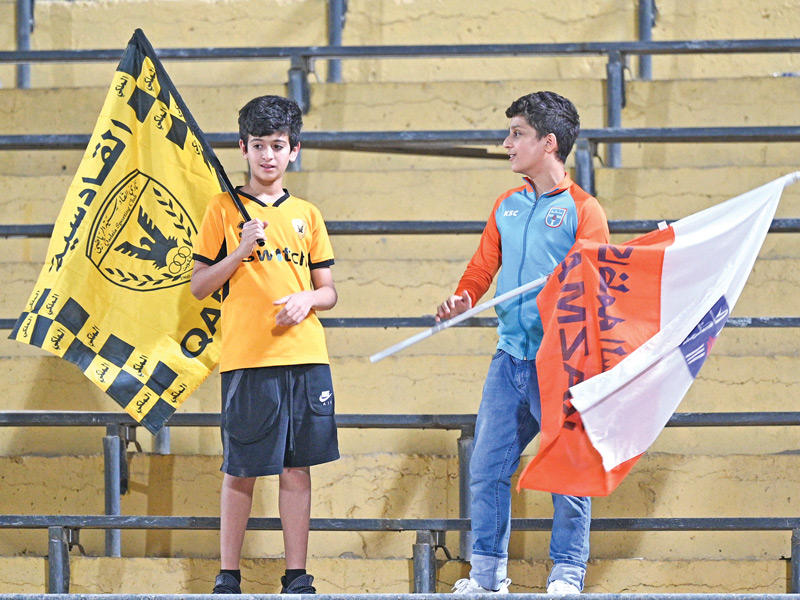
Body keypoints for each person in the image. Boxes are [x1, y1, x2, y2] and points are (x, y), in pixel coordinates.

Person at [436, 91, 609, 595]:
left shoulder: (584, 210)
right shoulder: (505, 206)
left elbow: (595, 291)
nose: (506, 143)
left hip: (561, 365)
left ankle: (567, 574)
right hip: (509, 358)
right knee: (487, 469)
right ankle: (487, 576)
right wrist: (462, 298)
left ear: (547, 143)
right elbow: (481, 270)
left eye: (517, 134)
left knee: (567, 471)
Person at [191, 95, 339, 595]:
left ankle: (296, 574)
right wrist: (239, 251)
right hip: (247, 357)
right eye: (259, 146)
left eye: (278, 146)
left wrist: (308, 299)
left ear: (294, 149)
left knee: (296, 468)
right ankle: (228, 574)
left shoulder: (308, 214)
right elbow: (199, 286)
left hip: (304, 356)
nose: (268, 156)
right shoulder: (222, 210)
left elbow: (329, 290)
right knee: (242, 469)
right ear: (242, 148)